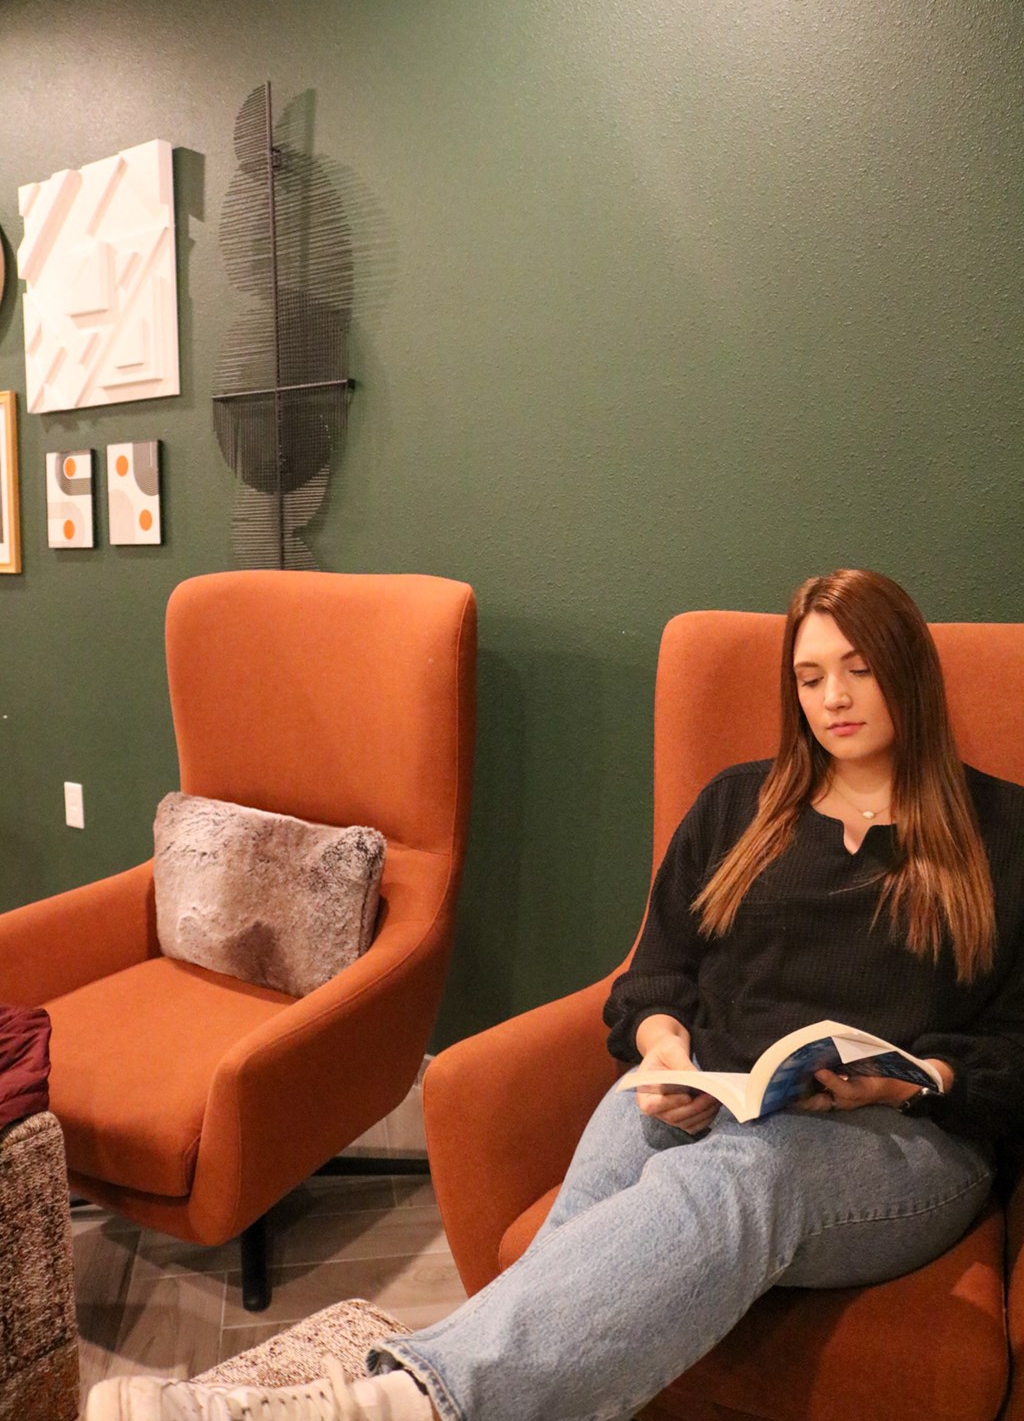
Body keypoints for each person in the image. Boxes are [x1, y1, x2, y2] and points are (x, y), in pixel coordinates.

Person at [88, 569, 1024, 1421]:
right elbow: (655, 975)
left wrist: (912, 1078)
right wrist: (663, 1048)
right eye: (809, 677)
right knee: (630, 1127)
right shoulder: (741, 806)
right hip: (729, 1090)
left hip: (909, 1142)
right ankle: (419, 1398)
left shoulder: (1001, 832)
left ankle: (374, 1406)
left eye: (857, 668)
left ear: (908, 667)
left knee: (746, 1172)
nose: (832, 699)